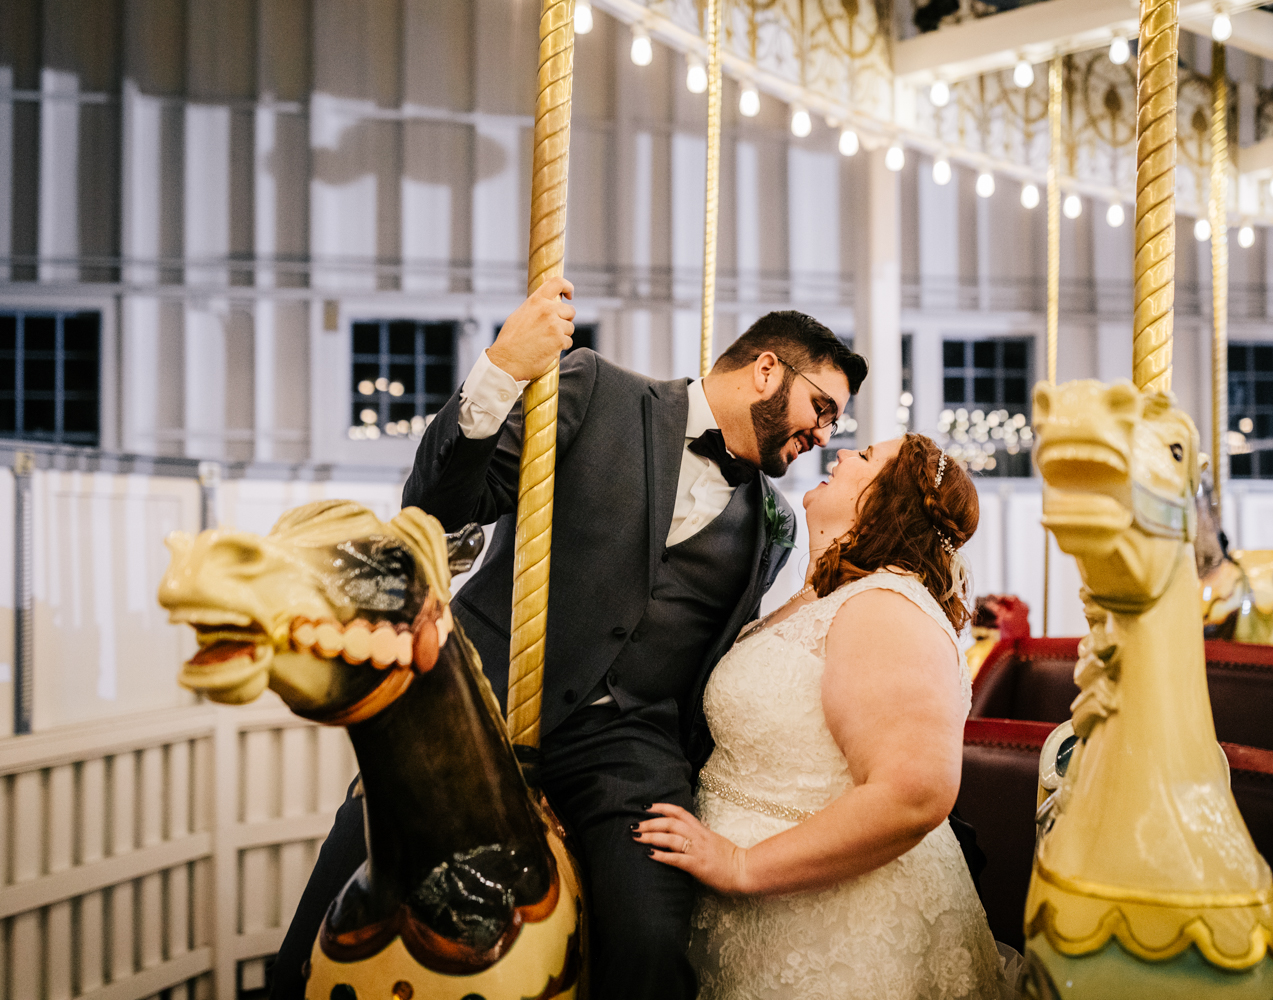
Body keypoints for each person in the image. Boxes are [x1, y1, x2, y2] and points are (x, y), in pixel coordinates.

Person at [268, 276, 868, 1000]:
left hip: (626, 752)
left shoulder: (773, 526)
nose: (825, 434)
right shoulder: (596, 391)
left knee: (649, 937)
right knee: (334, 897)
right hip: (488, 695)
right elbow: (438, 504)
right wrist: (502, 367)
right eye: (822, 407)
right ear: (767, 369)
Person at [635, 434, 1019, 1000]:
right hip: (756, 923)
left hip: (838, 936)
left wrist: (742, 865)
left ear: (888, 502)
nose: (840, 454)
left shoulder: (886, 607)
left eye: (863, 458)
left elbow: (914, 792)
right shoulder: (825, 598)